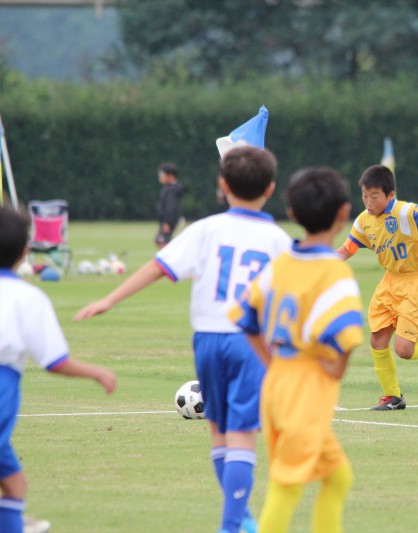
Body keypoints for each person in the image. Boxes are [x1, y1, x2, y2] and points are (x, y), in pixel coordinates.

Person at [75, 146, 293, 533]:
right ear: (270, 188)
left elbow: (159, 267)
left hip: (208, 340)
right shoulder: (278, 239)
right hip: (250, 343)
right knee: (243, 436)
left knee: (219, 433)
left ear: (223, 186)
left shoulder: (205, 229)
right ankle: (232, 524)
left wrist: (110, 299)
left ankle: (240, 519)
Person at [230, 167, 364, 533]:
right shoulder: (333, 271)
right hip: (307, 388)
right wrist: (336, 369)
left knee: (337, 477)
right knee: (286, 486)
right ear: (343, 213)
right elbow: (347, 335)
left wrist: (272, 362)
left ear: (291, 213)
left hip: (277, 382)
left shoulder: (279, 264)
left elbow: (246, 319)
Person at [0, 205, 117, 533]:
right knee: (13, 485)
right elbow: (54, 361)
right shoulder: (28, 297)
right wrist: (97, 373)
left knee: (14, 483)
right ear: (25, 251)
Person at [336, 164, 418, 411]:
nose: (368, 202)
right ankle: (392, 397)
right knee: (377, 340)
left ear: (390, 195)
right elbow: (347, 249)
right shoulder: (363, 221)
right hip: (389, 282)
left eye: (375, 196)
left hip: (415, 283)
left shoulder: (403, 212)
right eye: (364, 195)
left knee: (404, 350)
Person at [155, 162, 184, 248]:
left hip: (168, 221)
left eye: (162, 175)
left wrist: (168, 222)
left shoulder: (172, 190)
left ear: (170, 176)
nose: (161, 177)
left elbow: (171, 207)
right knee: (161, 241)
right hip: (166, 221)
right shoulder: (169, 188)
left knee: (162, 242)